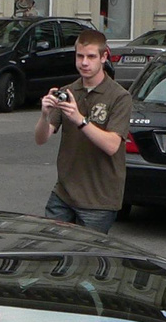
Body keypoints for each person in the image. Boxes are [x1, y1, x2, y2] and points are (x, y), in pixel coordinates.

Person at [33, 28, 132, 233]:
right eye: (80, 56)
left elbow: (112, 145)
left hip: (98, 200)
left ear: (104, 57)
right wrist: (44, 115)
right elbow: (41, 138)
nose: (84, 63)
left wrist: (80, 120)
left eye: (91, 57)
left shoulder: (119, 96)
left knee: (87, 260)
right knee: (50, 250)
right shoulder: (68, 91)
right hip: (64, 194)